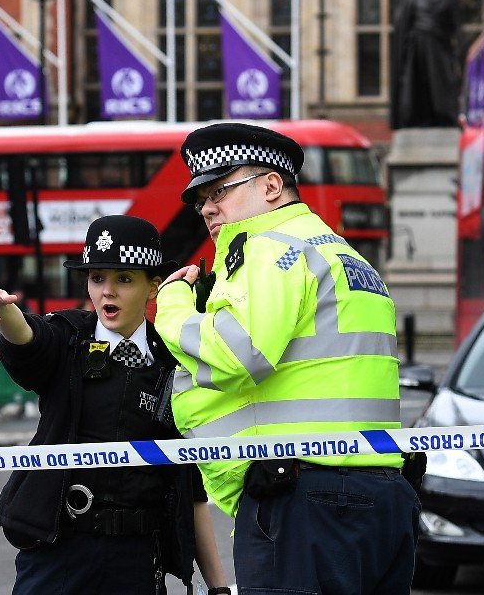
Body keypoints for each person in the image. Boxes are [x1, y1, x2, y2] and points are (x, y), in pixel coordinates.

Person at [155, 123, 419, 594]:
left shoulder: (269, 247)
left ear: (271, 186)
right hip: (379, 495)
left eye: (220, 190)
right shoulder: (344, 254)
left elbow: (233, 354)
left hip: (305, 500)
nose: (208, 208)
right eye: (201, 201)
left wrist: (172, 303)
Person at [0, 214, 228, 595]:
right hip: (59, 553)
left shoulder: (173, 361)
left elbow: (191, 491)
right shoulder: (68, 337)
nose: (108, 292)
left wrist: (218, 588)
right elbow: (30, 339)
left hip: (137, 561)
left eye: (124, 279)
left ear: (153, 287)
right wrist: (5, 313)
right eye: (97, 278)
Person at [390, 0, 461, 129]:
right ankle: (418, 116)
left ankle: (443, 115)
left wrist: (459, 49)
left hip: (439, 46)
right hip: (418, 47)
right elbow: (403, 25)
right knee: (418, 83)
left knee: (441, 82)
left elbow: (456, 26)